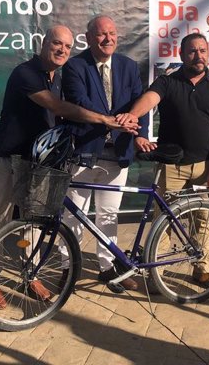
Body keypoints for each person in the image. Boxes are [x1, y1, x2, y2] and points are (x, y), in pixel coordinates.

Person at [0, 25, 138, 309]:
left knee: (33, 226)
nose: (62, 50)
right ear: (43, 44)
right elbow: (60, 108)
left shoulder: (58, 76)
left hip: (39, 163)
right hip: (8, 160)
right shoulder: (25, 73)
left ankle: (29, 275)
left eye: (67, 46)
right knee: (0, 222)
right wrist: (106, 120)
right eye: (57, 44)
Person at [118, 32, 209, 286]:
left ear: (208, 52)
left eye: (202, 50)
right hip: (171, 167)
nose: (198, 56)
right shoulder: (167, 82)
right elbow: (150, 99)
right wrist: (132, 115)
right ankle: (156, 271)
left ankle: (201, 267)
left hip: (203, 166)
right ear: (182, 55)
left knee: (201, 219)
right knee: (164, 221)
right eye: (192, 51)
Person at [61, 15, 155, 292]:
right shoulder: (75, 66)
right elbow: (80, 102)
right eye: (102, 34)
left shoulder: (128, 66)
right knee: (74, 214)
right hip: (85, 153)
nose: (108, 39)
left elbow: (141, 105)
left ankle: (107, 267)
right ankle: (68, 268)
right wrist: (115, 120)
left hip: (119, 153)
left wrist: (140, 134)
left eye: (112, 33)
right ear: (89, 38)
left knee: (108, 214)